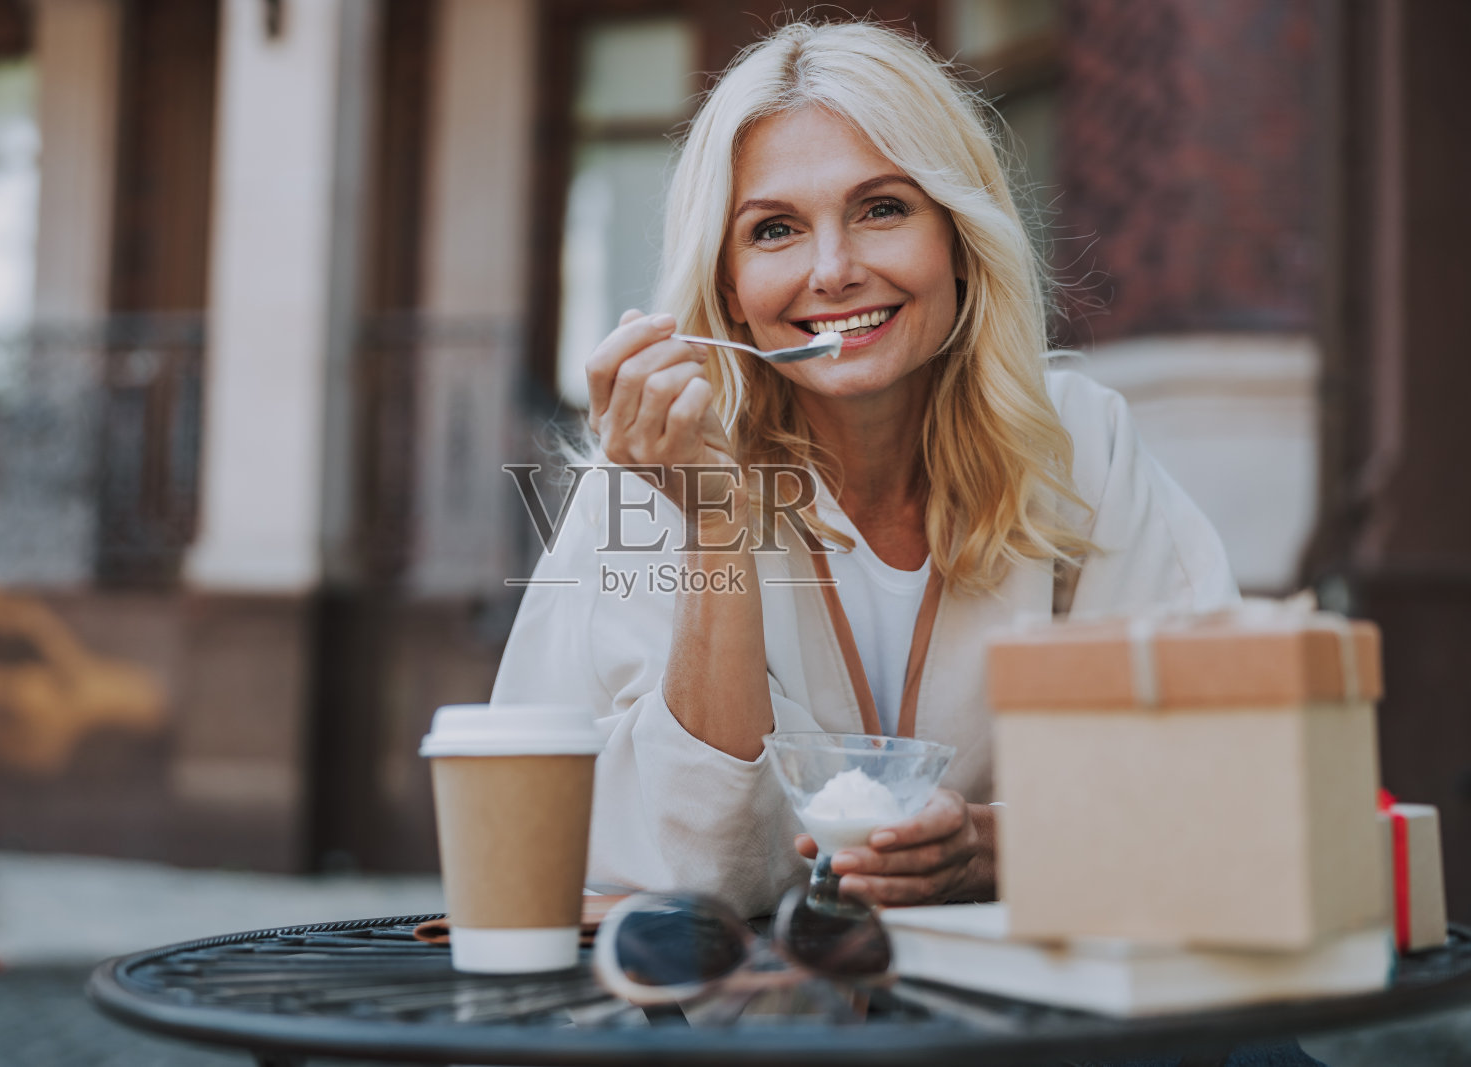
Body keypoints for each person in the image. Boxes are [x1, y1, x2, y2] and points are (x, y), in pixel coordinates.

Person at [492, 20, 1238, 921]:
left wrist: (996, 846)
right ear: (729, 286)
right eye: (774, 230)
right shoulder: (646, 482)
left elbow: (1212, 777)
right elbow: (701, 870)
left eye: (882, 208)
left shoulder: (1080, 442)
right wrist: (714, 515)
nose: (834, 270)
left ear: (958, 240)